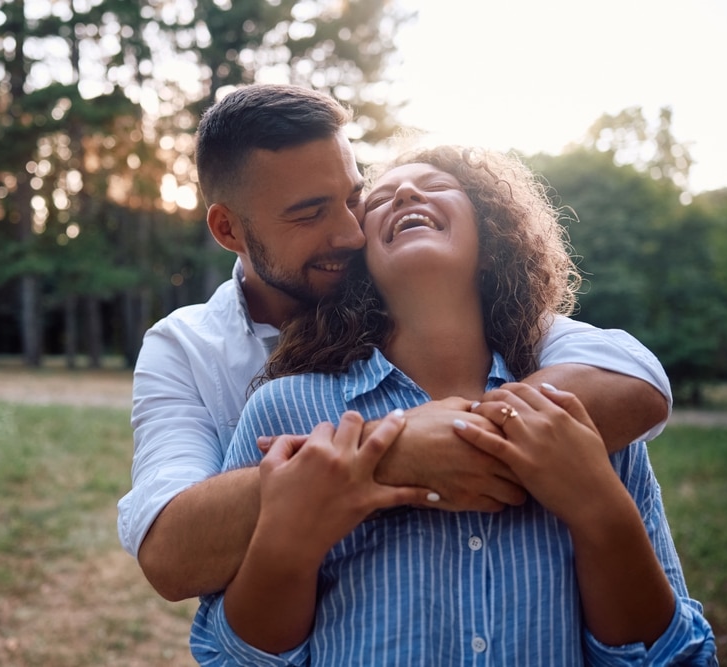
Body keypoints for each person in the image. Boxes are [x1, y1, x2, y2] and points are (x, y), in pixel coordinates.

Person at [117, 84, 672, 602]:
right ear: (228, 230)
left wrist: (446, 436)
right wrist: (395, 451)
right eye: (310, 214)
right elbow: (171, 552)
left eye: (354, 198)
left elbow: (631, 380)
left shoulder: (409, 281)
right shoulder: (185, 348)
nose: (352, 233)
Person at [189, 145, 716, 665]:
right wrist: (288, 545)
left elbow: (668, 656)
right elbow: (233, 657)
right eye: (379, 201)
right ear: (361, 262)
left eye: (437, 187)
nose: (408, 192)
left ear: (491, 244)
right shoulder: (284, 411)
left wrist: (599, 509)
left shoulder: (582, 417)